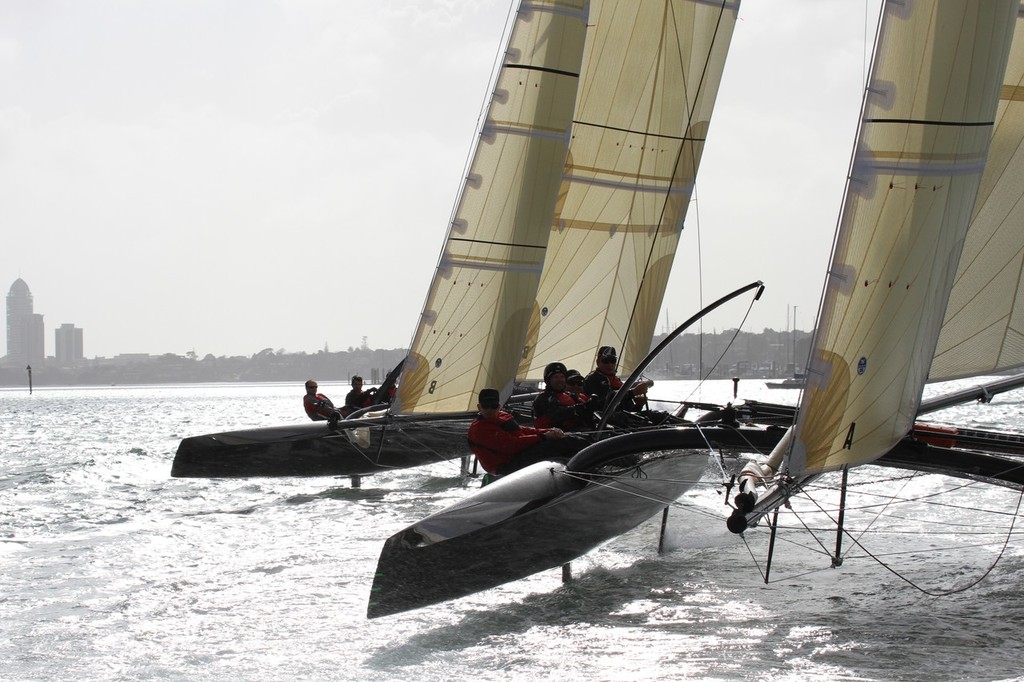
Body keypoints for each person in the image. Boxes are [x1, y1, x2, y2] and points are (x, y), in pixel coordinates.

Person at [468, 388, 586, 477]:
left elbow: (522, 430)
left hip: (520, 453)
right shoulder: (478, 429)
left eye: (493, 406)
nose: (489, 409)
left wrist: (549, 430)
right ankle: (585, 466)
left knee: (572, 438)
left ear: (498, 406)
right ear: (479, 407)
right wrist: (543, 437)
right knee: (559, 444)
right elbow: (511, 445)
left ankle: (587, 463)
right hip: (505, 466)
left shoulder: (503, 416)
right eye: (485, 406)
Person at [582, 346, 649, 414]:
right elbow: (604, 402)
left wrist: (639, 405)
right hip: (604, 421)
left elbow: (628, 411)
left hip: (625, 420)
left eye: (613, 360)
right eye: (605, 361)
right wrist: (632, 392)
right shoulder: (592, 379)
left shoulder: (616, 380)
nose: (610, 364)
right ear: (598, 362)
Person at [533, 362, 592, 431]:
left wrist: (590, 406)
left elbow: (583, 409)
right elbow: (556, 413)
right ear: (548, 380)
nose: (559, 380)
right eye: (555, 377)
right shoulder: (543, 398)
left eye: (562, 377)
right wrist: (579, 408)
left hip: (574, 432)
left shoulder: (570, 395)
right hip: (552, 435)